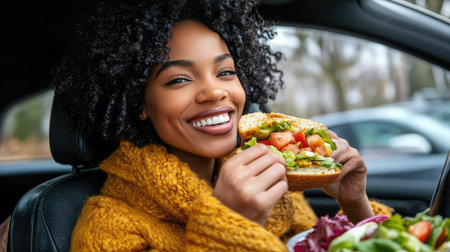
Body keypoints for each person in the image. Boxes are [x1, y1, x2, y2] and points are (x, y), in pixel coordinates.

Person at [52, 0, 392, 251]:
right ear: (139, 104)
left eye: (226, 72)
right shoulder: (107, 228)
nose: (215, 91)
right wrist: (231, 224)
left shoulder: (271, 180)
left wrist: (357, 207)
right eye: (179, 79)